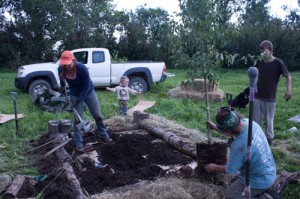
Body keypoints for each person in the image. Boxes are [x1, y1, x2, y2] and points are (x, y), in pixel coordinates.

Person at [205, 108, 276, 198]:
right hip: (269, 169)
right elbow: (234, 132)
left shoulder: (238, 146)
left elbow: (229, 170)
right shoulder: (249, 123)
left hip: (259, 180)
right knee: (234, 181)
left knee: (229, 196)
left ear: (229, 131)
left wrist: (214, 167)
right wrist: (216, 127)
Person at [58, 50, 112, 152]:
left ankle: (103, 134)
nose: (66, 66)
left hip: (88, 91)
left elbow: (86, 86)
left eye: (68, 64)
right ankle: (78, 142)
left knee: (97, 115)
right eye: (64, 64)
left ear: (73, 61)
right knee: (78, 119)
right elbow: (62, 80)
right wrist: (62, 88)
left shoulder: (82, 68)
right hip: (74, 93)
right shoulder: (61, 68)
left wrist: (80, 100)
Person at [254, 40, 292, 145]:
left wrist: (288, 90)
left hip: (270, 97)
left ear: (270, 50)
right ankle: (257, 137)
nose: (262, 52)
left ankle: (269, 139)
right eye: (260, 50)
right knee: (256, 120)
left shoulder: (278, 62)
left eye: (264, 49)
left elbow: (288, 76)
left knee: (269, 120)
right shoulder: (259, 61)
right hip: (257, 95)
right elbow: (253, 72)